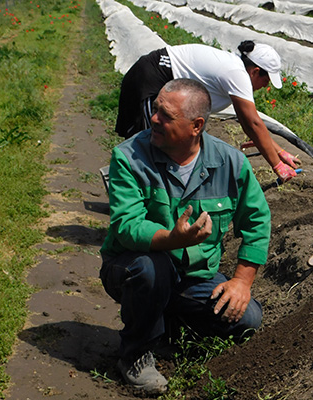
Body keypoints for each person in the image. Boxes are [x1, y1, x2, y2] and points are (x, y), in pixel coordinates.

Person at [100, 78, 271, 395]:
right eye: (155, 110)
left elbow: (257, 218)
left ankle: (167, 326)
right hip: (131, 269)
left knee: (247, 318)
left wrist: (242, 281)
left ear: (197, 126)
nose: (153, 119)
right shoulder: (130, 158)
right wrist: (171, 238)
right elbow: (126, 225)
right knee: (153, 270)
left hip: (193, 276)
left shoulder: (230, 163)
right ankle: (135, 354)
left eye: (165, 115)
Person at [115, 40, 300, 182]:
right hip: (151, 80)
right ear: (255, 71)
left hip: (159, 78)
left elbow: (250, 121)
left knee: (164, 148)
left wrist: (279, 150)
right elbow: (251, 123)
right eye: (266, 81)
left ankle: (143, 196)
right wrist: (277, 165)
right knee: (152, 146)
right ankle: (131, 200)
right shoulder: (237, 73)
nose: (264, 87)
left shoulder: (234, 68)